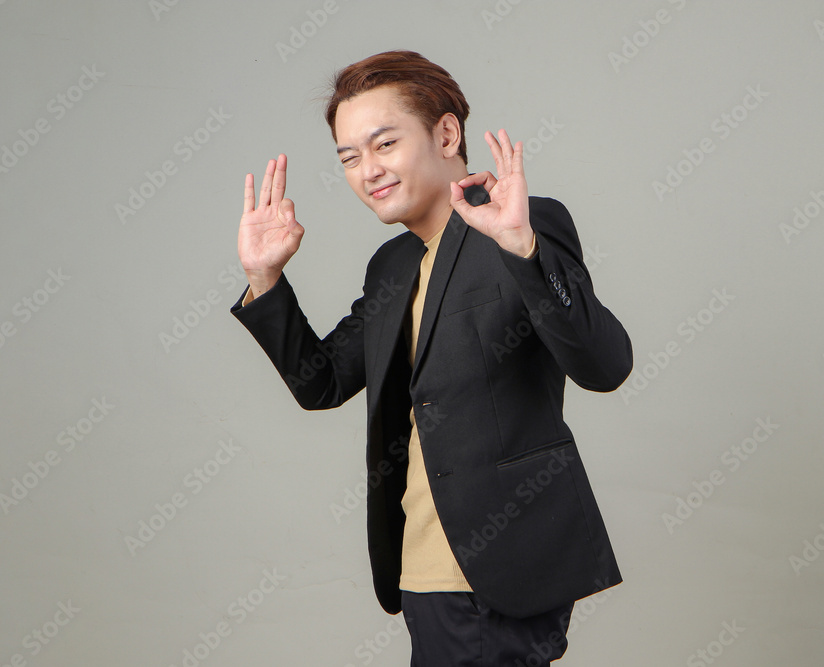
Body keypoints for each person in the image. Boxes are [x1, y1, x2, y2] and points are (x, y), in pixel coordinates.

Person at [231, 50, 633, 665]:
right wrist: (264, 280)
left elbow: (605, 365)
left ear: (446, 135)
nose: (368, 170)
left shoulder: (520, 226)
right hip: (421, 566)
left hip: (501, 564)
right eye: (349, 157)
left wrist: (524, 250)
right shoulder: (393, 265)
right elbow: (322, 382)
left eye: (385, 144)